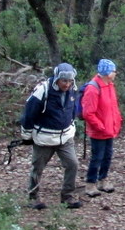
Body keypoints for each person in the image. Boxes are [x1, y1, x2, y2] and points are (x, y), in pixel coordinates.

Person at [21, 63, 81, 210]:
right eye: (64, 81)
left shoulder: (73, 89)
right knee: (38, 167)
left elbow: (73, 109)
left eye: (70, 81)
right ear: (56, 79)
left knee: (73, 164)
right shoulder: (43, 90)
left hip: (65, 137)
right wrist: (27, 135)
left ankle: (67, 196)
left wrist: (72, 124)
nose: (67, 84)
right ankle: (33, 197)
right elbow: (29, 113)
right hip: (44, 138)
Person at [82, 59, 122, 197]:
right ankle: (90, 183)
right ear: (107, 72)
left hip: (109, 129)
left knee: (107, 156)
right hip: (99, 131)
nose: (115, 73)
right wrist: (100, 126)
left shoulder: (110, 85)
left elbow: (113, 108)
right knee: (97, 157)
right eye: (113, 70)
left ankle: (103, 180)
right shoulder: (93, 88)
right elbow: (88, 113)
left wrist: (117, 122)